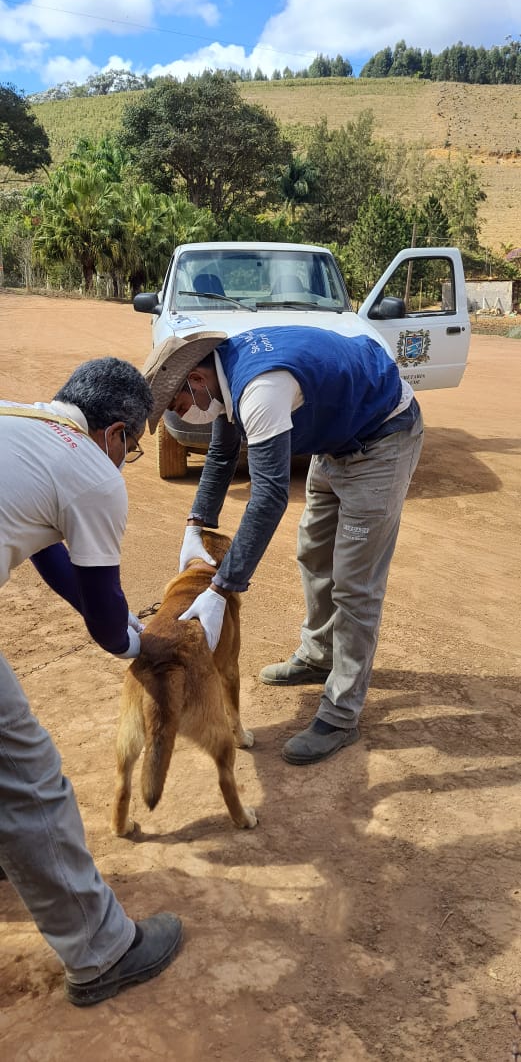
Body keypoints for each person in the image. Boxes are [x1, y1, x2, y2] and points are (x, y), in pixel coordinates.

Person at [142, 325, 424, 766]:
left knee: (355, 583)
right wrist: (195, 525)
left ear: (196, 380)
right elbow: (221, 454)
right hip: (336, 443)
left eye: (179, 406)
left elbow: (270, 494)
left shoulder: (260, 391)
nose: (182, 416)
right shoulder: (224, 377)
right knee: (313, 551)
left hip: (381, 439)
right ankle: (319, 655)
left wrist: (222, 588)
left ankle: (341, 713)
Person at [0, 357, 183, 1007]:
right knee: (27, 779)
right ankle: (102, 952)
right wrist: (139, 642)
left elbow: (48, 551)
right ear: (113, 433)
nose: (125, 460)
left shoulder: (19, 423)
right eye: (130, 450)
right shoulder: (90, 471)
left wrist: (108, 617)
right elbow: (108, 623)